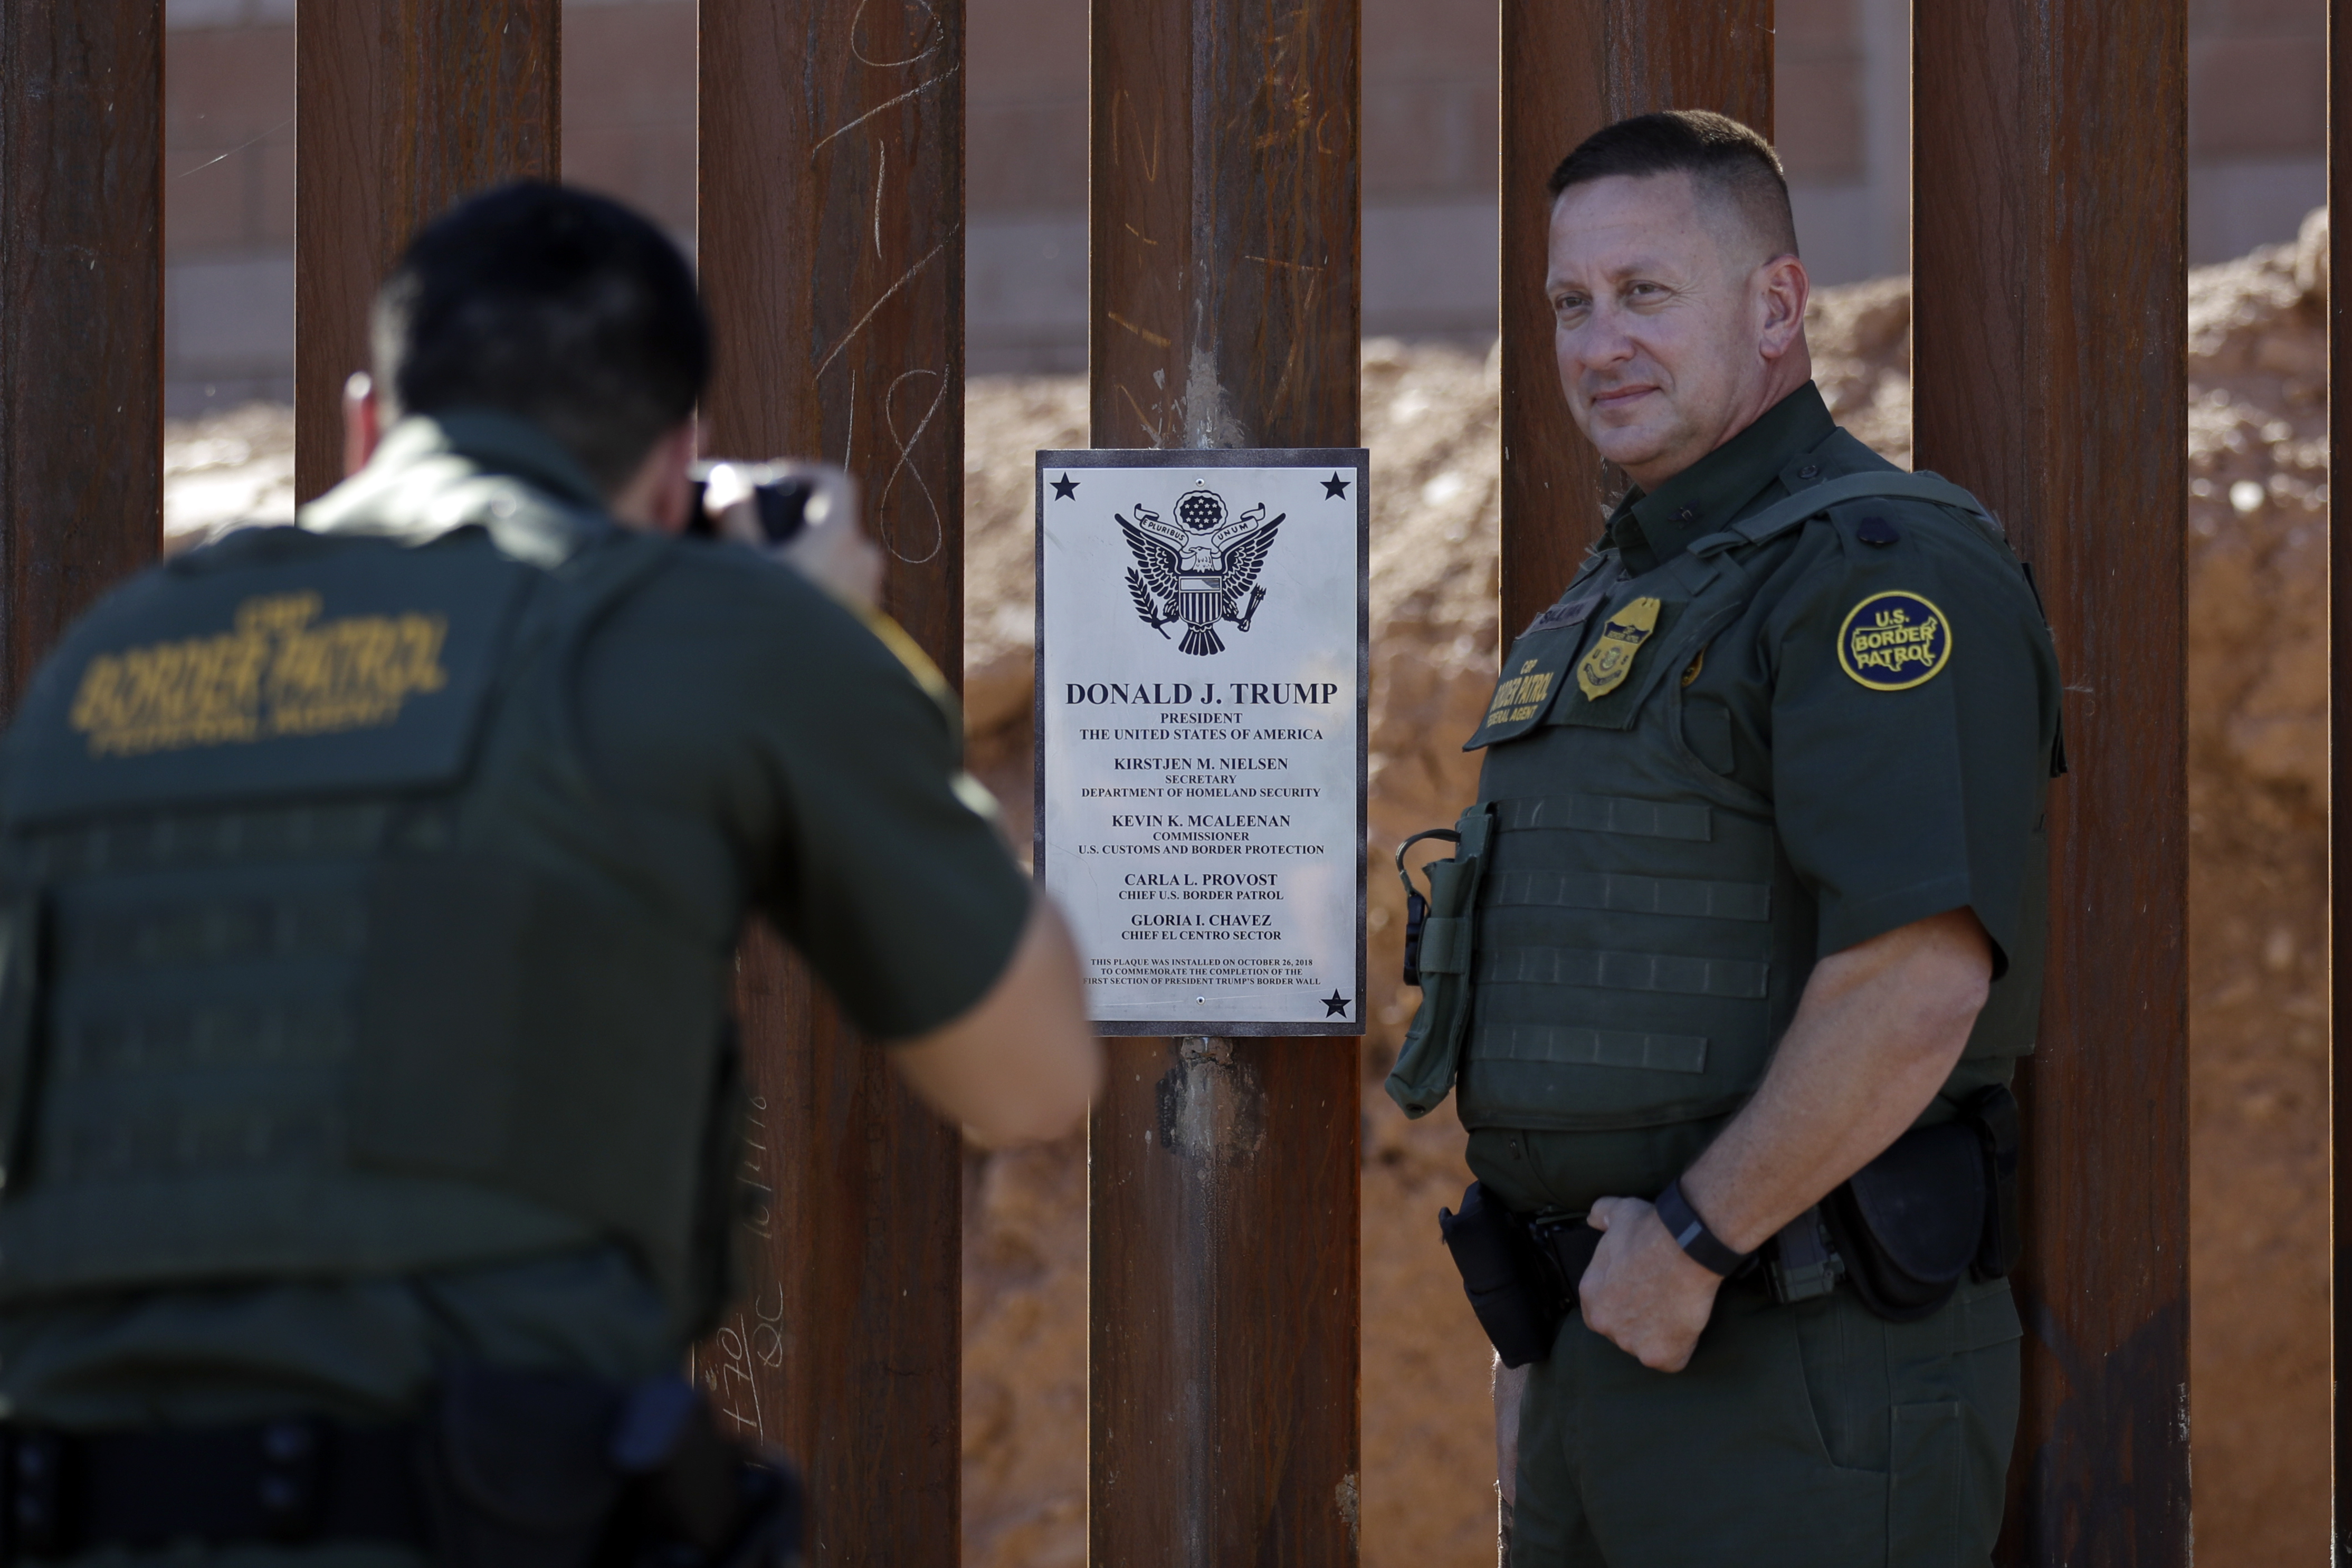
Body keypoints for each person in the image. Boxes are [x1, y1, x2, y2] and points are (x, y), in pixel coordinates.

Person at [0, 182, 1099, 1564]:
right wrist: (836, 645)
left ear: (365, 422)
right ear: (673, 459)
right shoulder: (712, 634)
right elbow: (1033, 1076)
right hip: (482, 1514)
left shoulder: (108, 664)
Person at [1388, 112, 2062, 1565]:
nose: (1597, 340)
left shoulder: (1878, 570)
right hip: (1610, 1356)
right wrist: (1553, 1356)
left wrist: (1688, 1244)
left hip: (1792, 1368)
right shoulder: (1628, 590)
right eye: (1570, 303)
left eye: (1646, 292)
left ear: (1776, 305)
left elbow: (1915, 974)